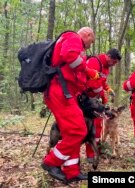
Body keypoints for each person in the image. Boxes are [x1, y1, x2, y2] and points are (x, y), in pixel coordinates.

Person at [41, 27, 99, 183]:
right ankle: (51, 162)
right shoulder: (73, 38)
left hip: (65, 93)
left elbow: (74, 71)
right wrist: (87, 70)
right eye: (90, 42)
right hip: (60, 92)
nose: (88, 46)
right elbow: (69, 56)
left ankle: (72, 171)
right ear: (87, 35)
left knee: (70, 132)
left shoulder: (71, 41)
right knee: (79, 130)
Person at [84, 48, 122, 162]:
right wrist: (100, 91)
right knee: (91, 126)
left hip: (97, 101)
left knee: (98, 125)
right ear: (109, 57)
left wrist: (107, 89)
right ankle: (90, 154)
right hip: (88, 100)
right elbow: (87, 80)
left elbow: (102, 81)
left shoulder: (106, 68)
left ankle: (97, 149)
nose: (114, 65)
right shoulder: (94, 62)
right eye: (114, 62)